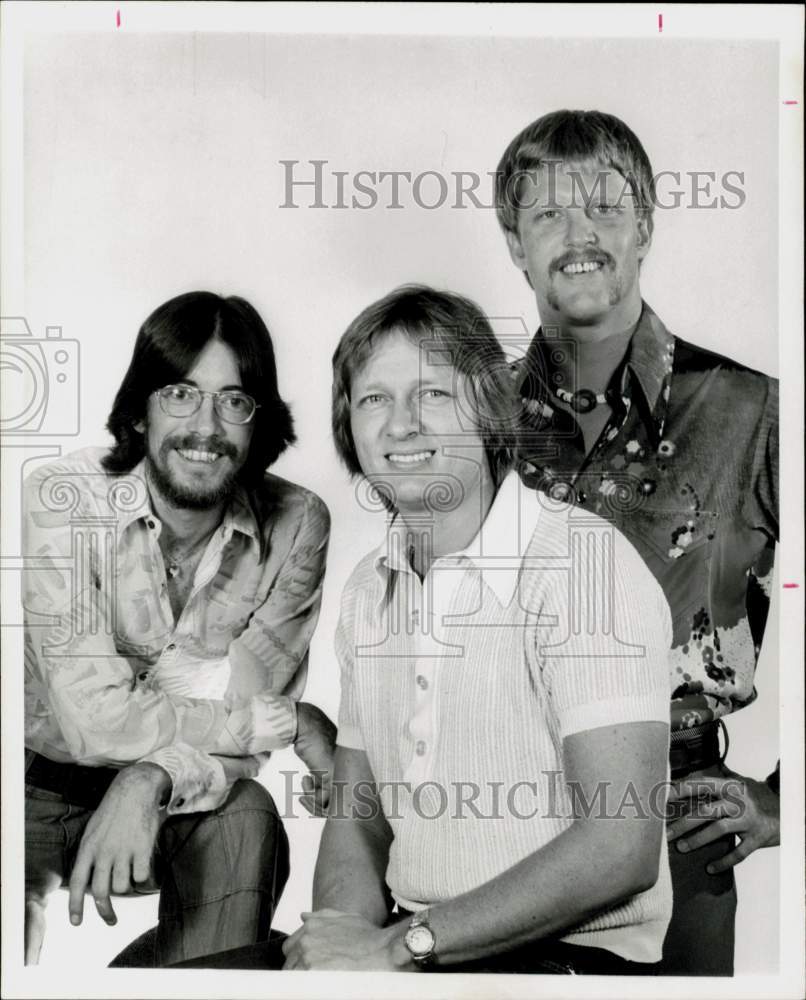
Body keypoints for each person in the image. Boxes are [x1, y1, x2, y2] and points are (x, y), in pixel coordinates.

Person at [255, 284, 672, 975]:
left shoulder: (583, 568)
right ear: (349, 429)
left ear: (489, 409)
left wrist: (395, 949)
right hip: (419, 952)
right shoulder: (369, 590)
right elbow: (360, 819)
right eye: (374, 399)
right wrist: (341, 954)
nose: (401, 425)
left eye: (433, 395)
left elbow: (621, 845)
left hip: (564, 963)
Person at [494, 109, 780, 975]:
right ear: (513, 242)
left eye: (605, 209)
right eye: (546, 213)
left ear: (646, 224)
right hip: (490, 823)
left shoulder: (750, 411)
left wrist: (784, 802)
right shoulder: (472, 423)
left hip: (675, 828)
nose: (578, 237)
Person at [23, 291, 335, 967]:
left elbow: (250, 725)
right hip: (27, 791)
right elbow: (89, 719)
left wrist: (148, 779)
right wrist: (262, 721)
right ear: (141, 408)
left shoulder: (297, 524)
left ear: (258, 421)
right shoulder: (62, 497)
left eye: (234, 400)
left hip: (177, 799)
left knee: (247, 814)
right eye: (181, 394)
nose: (207, 426)